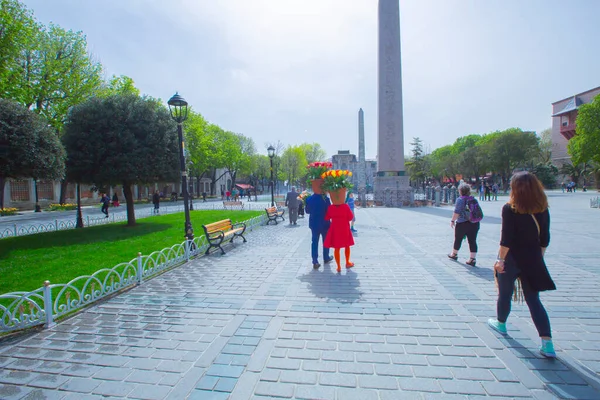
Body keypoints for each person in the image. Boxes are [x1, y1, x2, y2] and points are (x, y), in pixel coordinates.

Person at [488, 171, 557, 358]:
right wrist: (538, 257)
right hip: (532, 259)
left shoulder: (510, 208)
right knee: (533, 300)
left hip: (511, 260)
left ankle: (501, 323)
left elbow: (506, 239)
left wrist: (500, 260)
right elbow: (545, 238)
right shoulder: (542, 208)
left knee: (505, 294)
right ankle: (547, 343)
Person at [448, 183, 481, 266]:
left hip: (462, 223)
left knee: (458, 239)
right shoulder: (473, 199)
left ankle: (454, 254)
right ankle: (472, 259)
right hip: (474, 223)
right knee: (472, 240)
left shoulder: (460, 200)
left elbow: (457, 212)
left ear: (460, 191)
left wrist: (452, 220)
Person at [324, 201, 355, 273]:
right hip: (344, 228)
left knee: (337, 247)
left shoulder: (331, 207)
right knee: (347, 246)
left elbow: (327, 217)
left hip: (335, 228)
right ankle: (347, 262)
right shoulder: (345, 206)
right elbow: (350, 217)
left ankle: (338, 267)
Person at [305, 193, 333, 269]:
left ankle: (315, 261)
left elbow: (307, 211)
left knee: (314, 242)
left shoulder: (309, 199)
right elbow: (329, 212)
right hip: (325, 224)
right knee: (326, 241)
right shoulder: (326, 199)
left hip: (314, 224)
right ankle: (326, 257)